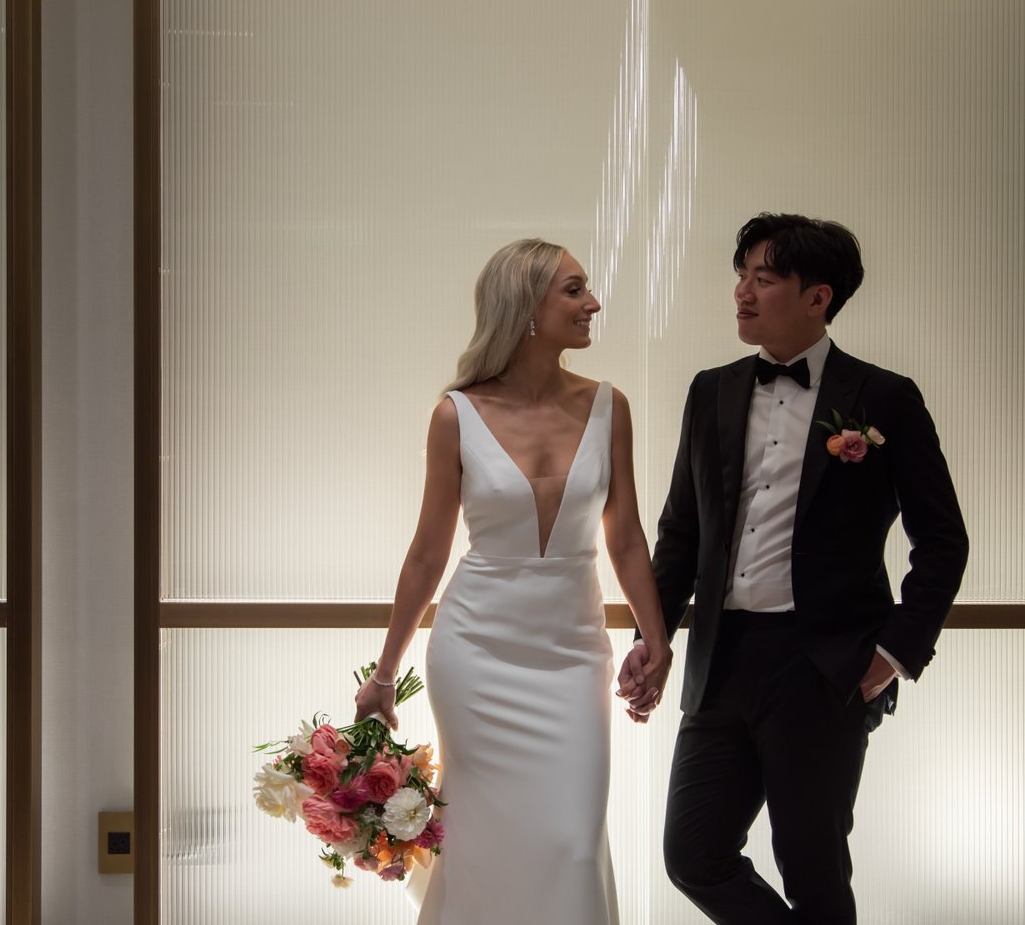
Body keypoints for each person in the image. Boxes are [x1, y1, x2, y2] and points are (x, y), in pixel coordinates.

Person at [618, 213, 968, 924]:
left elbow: (944, 540)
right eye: (740, 275)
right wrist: (653, 638)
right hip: (723, 659)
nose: (743, 292)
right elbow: (681, 532)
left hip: (823, 666)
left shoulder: (884, 398)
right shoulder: (710, 390)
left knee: (812, 868)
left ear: (818, 297)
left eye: (764, 277)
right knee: (693, 854)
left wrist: (892, 654)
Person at [354, 238, 673, 924]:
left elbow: (626, 537)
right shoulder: (454, 415)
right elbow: (425, 556)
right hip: (476, 653)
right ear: (526, 307)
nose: (592, 304)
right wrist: (384, 676)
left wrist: (658, 639)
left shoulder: (610, 406)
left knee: (573, 843)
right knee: (479, 843)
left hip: (572, 653)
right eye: (574, 290)